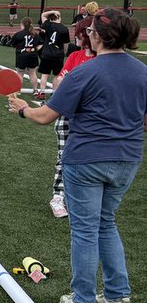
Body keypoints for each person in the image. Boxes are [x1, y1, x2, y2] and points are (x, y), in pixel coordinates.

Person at [7, 8, 147, 303]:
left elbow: (45, 116)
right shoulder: (142, 72)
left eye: (91, 31)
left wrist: (22, 109)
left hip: (86, 159)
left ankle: (82, 300)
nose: (88, 36)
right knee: (106, 223)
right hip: (127, 159)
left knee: (85, 230)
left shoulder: (85, 71)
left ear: (98, 36)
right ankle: (118, 298)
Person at [47, 16, 96, 218]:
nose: (76, 37)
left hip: (91, 120)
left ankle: (82, 196)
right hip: (67, 116)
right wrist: (65, 82)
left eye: (80, 33)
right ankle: (58, 197)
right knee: (64, 156)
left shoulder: (102, 60)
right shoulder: (75, 56)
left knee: (91, 159)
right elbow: (57, 83)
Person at [36, 10, 70, 99]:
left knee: (44, 74)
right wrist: (64, 52)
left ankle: (42, 93)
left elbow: (43, 15)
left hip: (46, 53)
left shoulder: (48, 25)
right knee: (56, 75)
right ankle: (54, 93)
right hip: (58, 55)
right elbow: (66, 44)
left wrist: (53, 11)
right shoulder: (64, 28)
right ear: (59, 17)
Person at [11, 17, 41, 95]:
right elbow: (41, 44)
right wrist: (35, 49)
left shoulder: (19, 34)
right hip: (33, 55)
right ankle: (35, 90)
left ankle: (18, 90)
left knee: (20, 73)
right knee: (33, 73)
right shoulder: (35, 34)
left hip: (22, 56)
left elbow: (12, 44)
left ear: (22, 24)